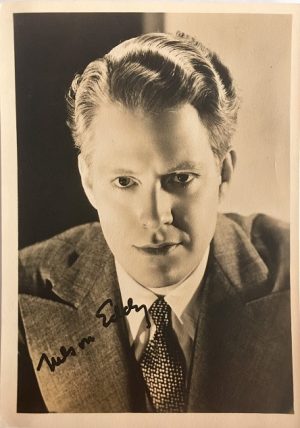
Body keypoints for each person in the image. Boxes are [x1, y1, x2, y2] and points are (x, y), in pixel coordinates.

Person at [18, 32, 293, 413]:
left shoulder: (289, 272)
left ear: (223, 174)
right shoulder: (18, 291)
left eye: (179, 178)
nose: (155, 216)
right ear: (89, 182)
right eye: (125, 182)